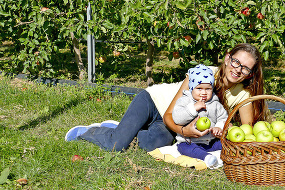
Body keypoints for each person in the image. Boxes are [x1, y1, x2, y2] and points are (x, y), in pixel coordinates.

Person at [65, 43, 266, 152]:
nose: (237, 69)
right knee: (117, 145)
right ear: (227, 57)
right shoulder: (203, 74)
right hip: (154, 102)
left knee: (155, 144)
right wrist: (185, 130)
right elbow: (170, 112)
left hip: (170, 123)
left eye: (245, 67)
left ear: (250, 74)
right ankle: (90, 131)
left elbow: (247, 133)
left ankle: (122, 129)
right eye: (235, 61)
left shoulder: (243, 95)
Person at [172, 64, 228, 168]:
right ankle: (206, 157)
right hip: (190, 141)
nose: (204, 92)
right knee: (184, 148)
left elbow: (223, 117)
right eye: (199, 88)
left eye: (208, 89)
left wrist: (219, 127)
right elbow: (177, 118)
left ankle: (233, 153)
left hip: (210, 141)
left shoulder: (215, 103)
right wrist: (193, 108)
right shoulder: (185, 101)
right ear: (192, 88)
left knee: (227, 143)